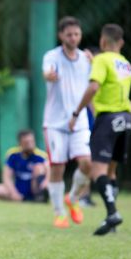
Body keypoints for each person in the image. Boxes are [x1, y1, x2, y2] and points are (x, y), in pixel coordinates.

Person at [69, 24, 131, 236]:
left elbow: (94, 86)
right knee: (111, 171)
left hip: (108, 118)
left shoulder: (101, 60)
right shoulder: (126, 64)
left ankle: (112, 213)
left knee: (98, 171)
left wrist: (76, 112)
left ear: (102, 42)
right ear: (121, 43)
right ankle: (111, 221)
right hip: (126, 119)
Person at [42, 16, 92, 228]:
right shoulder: (52, 56)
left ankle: (72, 198)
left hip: (79, 121)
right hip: (55, 123)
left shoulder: (86, 60)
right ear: (61, 35)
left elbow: (91, 89)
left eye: (76, 34)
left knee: (87, 163)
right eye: (69, 34)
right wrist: (49, 75)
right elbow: (47, 72)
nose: (73, 38)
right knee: (57, 167)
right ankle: (59, 212)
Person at [0, 129, 49, 202]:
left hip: (35, 189)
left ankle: (38, 197)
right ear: (20, 143)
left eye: (32, 142)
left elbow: (49, 172)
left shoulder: (41, 156)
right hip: (19, 189)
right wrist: (14, 193)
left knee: (39, 167)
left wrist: (46, 182)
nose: (30, 145)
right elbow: (6, 176)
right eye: (27, 143)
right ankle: (20, 198)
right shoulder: (13, 154)